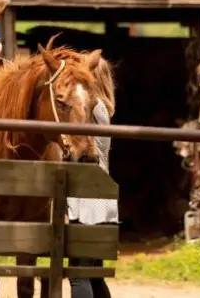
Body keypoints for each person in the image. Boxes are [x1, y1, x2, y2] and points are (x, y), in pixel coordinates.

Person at [67, 97, 118, 298]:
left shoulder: (91, 107)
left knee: (79, 274)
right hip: (100, 200)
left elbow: (79, 151)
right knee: (94, 274)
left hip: (87, 204)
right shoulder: (101, 111)